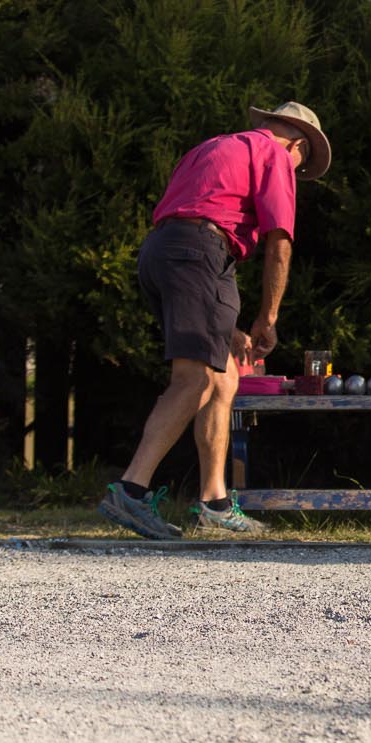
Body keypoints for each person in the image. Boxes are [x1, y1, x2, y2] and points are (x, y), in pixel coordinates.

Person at [98, 102, 331, 540]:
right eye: (301, 165)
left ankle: (216, 503)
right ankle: (130, 490)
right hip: (201, 252)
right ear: (297, 143)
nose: (295, 173)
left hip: (165, 251)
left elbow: (191, 215)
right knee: (195, 379)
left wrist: (233, 327)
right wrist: (268, 317)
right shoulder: (275, 155)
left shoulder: (214, 147)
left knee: (223, 379)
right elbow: (280, 242)